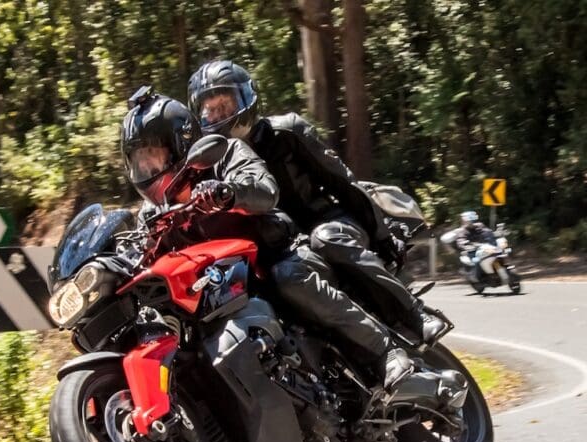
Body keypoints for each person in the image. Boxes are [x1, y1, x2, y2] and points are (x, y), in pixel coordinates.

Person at [120, 86, 416, 393]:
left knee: (289, 276)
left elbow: (265, 190)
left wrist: (229, 192)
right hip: (225, 291)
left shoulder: (225, 154)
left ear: (180, 143)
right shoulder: (152, 213)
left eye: (153, 158)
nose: (149, 169)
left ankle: (386, 352)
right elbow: (142, 249)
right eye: (140, 163)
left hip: (277, 256)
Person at [186, 60, 445, 348]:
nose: (219, 115)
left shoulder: (287, 132)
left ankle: (414, 314)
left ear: (246, 99)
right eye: (211, 110)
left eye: (226, 104)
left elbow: (343, 182)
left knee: (327, 239)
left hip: (327, 223)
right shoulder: (208, 168)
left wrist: (383, 236)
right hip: (282, 251)